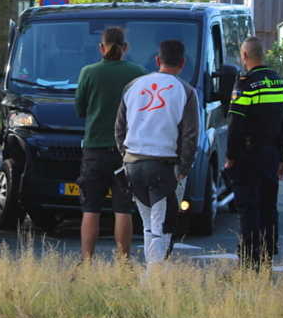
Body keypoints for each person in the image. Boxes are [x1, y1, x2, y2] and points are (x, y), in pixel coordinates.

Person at [115, 39, 199, 270]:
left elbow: (120, 127)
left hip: (133, 163)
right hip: (164, 165)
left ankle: (153, 273)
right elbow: (190, 135)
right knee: (163, 225)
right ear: (183, 63)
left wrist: (126, 154)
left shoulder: (133, 86)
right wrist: (184, 169)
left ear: (157, 60)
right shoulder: (186, 91)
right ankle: (155, 276)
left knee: (148, 225)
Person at [74, 26, 147, 261]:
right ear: (125, 47)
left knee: (90, 209)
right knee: (123, 209)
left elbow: (80, 109)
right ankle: (123, 263)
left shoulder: (88, 72)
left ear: (101, 47)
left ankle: (86, 262)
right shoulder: (138, 73)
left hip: (95, 149)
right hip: (126, 151)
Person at [224, 36, 283, 271]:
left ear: (244, 56)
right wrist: (282, 157)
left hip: (248, 157)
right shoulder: (279, 82)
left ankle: (247, 264)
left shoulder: (245, 84)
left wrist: (230, 157)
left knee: (248, 210)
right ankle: (267, 259)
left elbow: (235, 125)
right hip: (271, 155)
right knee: (269, 208)